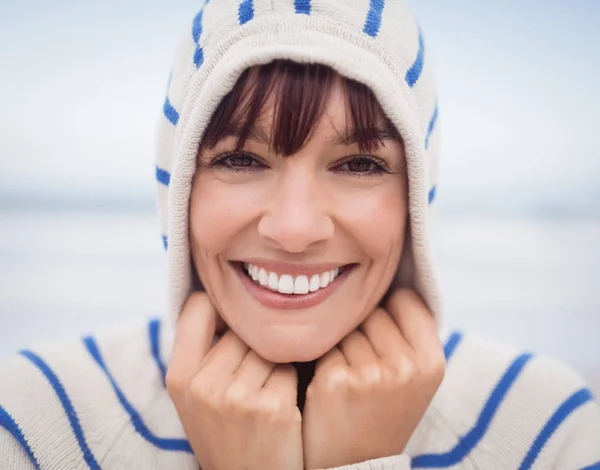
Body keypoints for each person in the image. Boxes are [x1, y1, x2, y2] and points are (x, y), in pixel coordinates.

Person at [1, 1, 599, 469]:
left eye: (360, 164)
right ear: (178, 181)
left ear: (416, 193)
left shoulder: (546, 434)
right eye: (241, 160)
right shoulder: (34, 422)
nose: (293, 229)